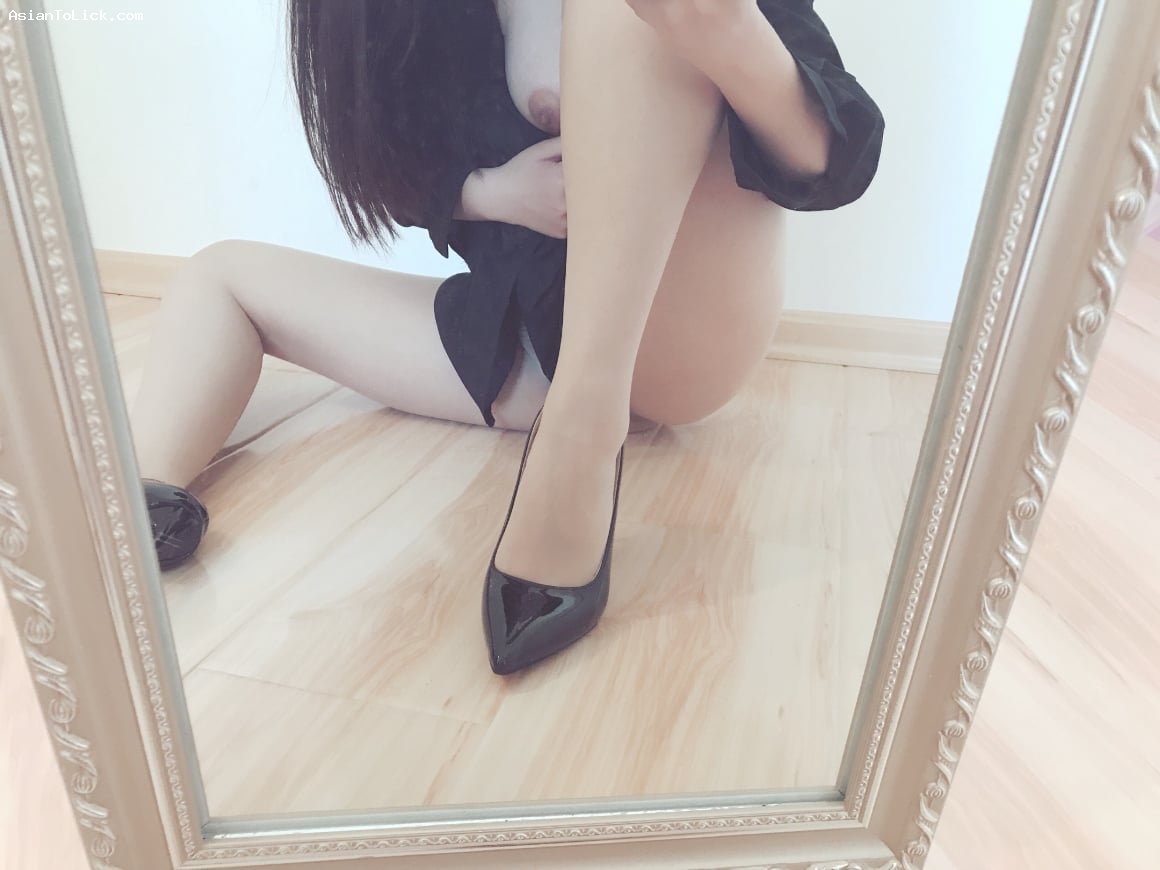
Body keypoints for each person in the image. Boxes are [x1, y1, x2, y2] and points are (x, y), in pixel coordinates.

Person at [135, 0, 884, 674]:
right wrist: (494, 194)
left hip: (677, 326)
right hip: (521, 328)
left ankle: (581, 435)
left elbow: (833, 156)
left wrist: (731, 34)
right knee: (221, 275)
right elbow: (388, 168)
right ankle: (137, 503)